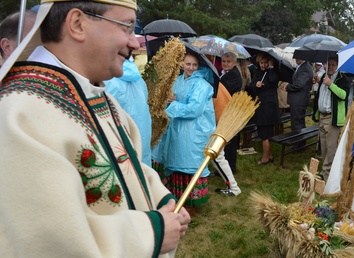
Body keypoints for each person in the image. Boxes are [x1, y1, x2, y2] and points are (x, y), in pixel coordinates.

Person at [0, 1, 190, 257]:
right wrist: (150, 233)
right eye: (126, 27)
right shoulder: (19, 112)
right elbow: (49, 240)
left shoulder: (99, 96)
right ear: (78, 24)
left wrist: (161, 200)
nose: (134, 43)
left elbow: (127, 163)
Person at [152, 52, 216, 212]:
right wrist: (168, 99)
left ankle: (190, 203)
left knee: (189, 165)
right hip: (178, 131)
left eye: (194, 65)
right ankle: (176, 198)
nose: (191, 68)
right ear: (181, 64)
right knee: (177, 163)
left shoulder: (202, 85)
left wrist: (172, 107)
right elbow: (174, 99)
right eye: (188, 64)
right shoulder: (178, 81)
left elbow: (195, 109)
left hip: (193, 133)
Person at [105, 58, 152, 166]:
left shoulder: (108, 80)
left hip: (119, 136)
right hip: (142, 133)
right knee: (142, 166)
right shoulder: (140, 81)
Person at [317, 55, 350, 180]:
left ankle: (328, 177)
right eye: (328, 64)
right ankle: (324, 171)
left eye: (333, 65)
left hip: (333, 118)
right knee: (324, 146)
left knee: (331, 148)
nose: (330, 67)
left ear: (337, 66)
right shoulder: (323, 77)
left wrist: (331, 84)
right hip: (322, 116)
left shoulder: (343, 79)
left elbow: (344, 95)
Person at [247, 52, 281, 165]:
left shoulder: (272, 72)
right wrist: (255, 85)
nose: (263, 65)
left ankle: (265, 158)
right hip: (260, 106)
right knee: (264, 132)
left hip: (269, 107)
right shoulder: (258, 72)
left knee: (265, 133)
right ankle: (269, 154)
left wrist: (271, 68)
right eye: (261, 63)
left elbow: (273, 80)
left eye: (265, 63)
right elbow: (250, 86)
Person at [220, 52, 242, 174]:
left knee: (230, 142)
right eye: (223, 61)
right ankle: (224, 167)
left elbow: (223, 90)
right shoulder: (226, 73)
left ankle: (230, 168)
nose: (225, 64)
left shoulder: (234, 75)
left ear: (234, 63)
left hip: (231, 111)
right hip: (226, 110)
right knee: (226, 142)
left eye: (228, 62)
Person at [284, 58, 313, 149]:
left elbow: (299, 84)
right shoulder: (302, 67)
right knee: (299, 122)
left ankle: (298, 144)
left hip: (299, 100)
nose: (295, 59)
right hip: (299, 100)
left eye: (297, 57)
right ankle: (301, 142)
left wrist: (288, 87)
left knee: (297, 123)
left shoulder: (305, 68)